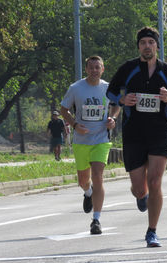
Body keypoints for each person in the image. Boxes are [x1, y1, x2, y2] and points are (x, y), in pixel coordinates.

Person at [107, 26, 167, 247]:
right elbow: (111, 92)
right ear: (139, 46)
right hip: (134, 133)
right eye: (143, 43)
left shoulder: (166, 71)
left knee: (155, 182)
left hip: (160, 132)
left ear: (157, 46)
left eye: (151, 42)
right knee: (140, 187)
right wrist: (123, 100)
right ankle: (141, 196)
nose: (147, 46)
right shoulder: (128, 68)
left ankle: (152, 231)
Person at [60, 55, 120, 235]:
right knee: (83, 181)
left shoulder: (108, 88)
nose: (94, 70)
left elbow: (116, 106)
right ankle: (88, 193)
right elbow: (64, 109)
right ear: (86, 69)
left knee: (98, 176)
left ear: (103, 69)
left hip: (101, 139)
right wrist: (75, 125)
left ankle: (96, 220)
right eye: (91, 67)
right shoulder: (76, 88)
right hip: (81, 141)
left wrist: (113, 118)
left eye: (97, 67)